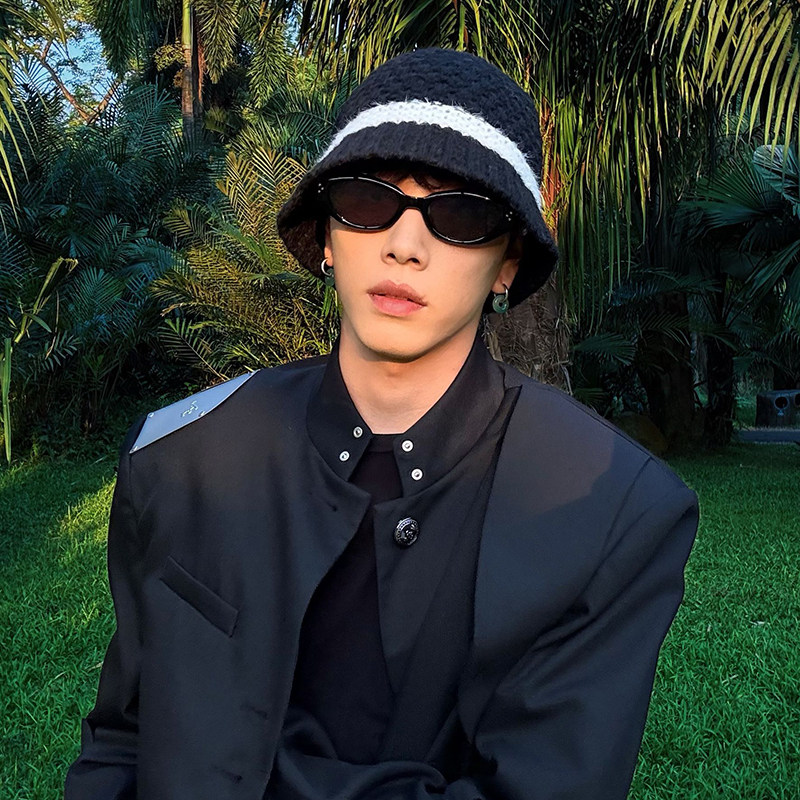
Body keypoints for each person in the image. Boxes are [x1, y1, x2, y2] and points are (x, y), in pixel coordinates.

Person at [64, 47, 700, 800]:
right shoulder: (182, 458)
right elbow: (124, 742)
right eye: (370, 201)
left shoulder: (612, 514)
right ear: (329, 236)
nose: (404, 245)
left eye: (461, 214)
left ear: (507, 262)